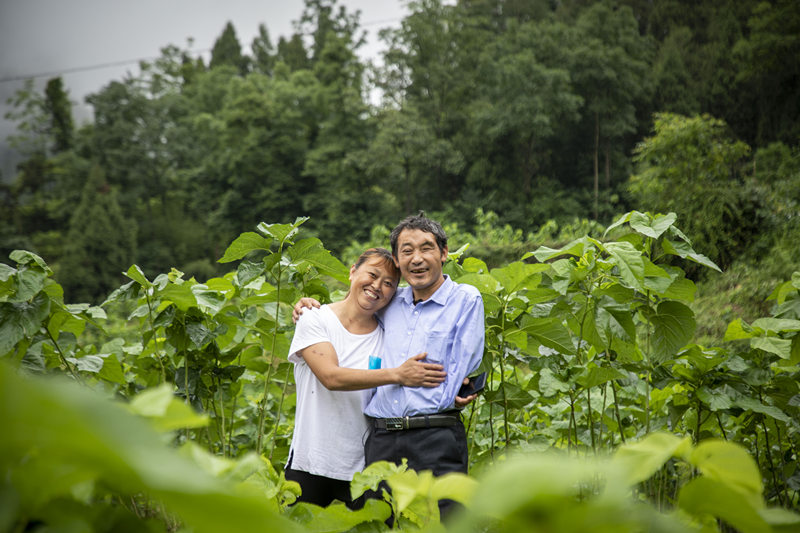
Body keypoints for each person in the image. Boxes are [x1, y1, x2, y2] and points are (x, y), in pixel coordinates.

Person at [294, 213, 485, 520]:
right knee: (382, 523)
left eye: (426, 248)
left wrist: (465, 385)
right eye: (407, 251)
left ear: (444, 253)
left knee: (443, 523)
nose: (417, 258)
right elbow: (357, 305)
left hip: (434, 435)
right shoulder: (391, 302)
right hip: (381, 440)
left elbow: (463, 365)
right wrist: (309, 305)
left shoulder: (465, 300)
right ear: (398, 259)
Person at [285, 247, 447, 510]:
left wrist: (459, 386)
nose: (376, 286)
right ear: (352, 272)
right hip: (310, 462)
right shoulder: (314, 319)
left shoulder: (388, 336)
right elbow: (331, 377)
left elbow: (427, 365)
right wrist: (397, 374)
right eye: (372, 275)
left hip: (363, 470)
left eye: (388, 284)